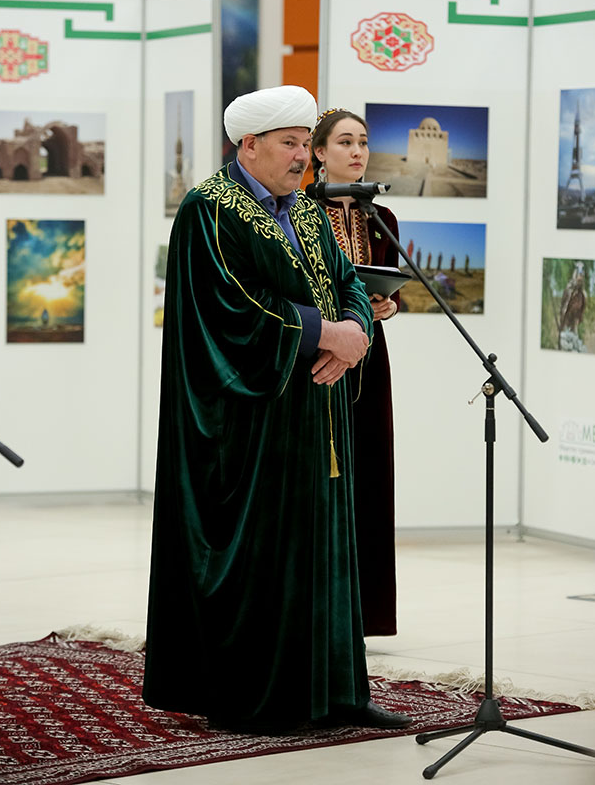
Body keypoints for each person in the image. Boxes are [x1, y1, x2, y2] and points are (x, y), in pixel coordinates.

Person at [143, 85, 411, 732]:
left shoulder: (309, 212)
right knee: (264, 557)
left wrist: (354, 332)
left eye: (302, 144)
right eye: (290, 145)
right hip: (249, 425)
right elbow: (229, 309)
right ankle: (260, 697)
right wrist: (327, 334)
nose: (302, 158)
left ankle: (337, 691)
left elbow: (348, 281)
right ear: (249, 145)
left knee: (325, 550)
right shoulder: (210, 210)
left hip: (316, 412)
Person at [311, 109, 400, 638]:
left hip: (371, 354)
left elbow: (390, 283)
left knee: (369, 472)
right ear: (319, 152)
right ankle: (317, 607)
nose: (357, 151)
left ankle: (364, 615)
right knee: (322, 476)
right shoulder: (298, 212)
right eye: (345, 141)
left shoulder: (382, 218)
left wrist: (388, 307)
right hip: (319, 355)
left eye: (363, 142)